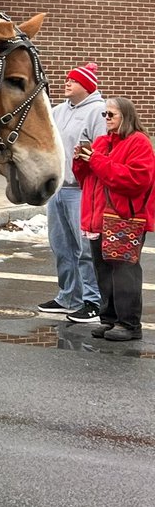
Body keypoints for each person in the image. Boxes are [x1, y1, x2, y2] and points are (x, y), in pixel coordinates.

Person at [73, 96, 153, 342]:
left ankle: (129, 324)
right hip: (98, 218)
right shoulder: (101, 142)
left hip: (123, 218)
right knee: (103, 271)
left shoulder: (139, 142)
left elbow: (135, 180)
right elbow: (86, 179)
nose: (106, 119)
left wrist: (95, 160)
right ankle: (109, 320)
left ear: (126, 116)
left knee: (123, 273)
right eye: (104, 115)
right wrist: (81, 160)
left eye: (111, 115)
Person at [38, 63, 106, 322]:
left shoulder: (98, 112)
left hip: (81, 190)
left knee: (86, 248)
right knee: (61, 246)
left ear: (87, 86)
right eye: (67, 79)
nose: (66, 83)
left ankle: (93, 300)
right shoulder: (58, 111)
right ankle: (68, 296)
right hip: (58, 189)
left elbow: (102, 150)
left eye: (73, 80)